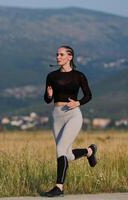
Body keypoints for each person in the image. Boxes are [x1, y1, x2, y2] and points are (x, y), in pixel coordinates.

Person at [43, 46, 97, 197]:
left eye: (61, 54)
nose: (58, 57)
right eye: (57, 55)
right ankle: (89, 151)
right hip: (57, 115)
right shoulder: (51, 76)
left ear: (70, 57)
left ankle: (59, 188)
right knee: (67, 154)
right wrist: (49, 94)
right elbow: (47, 100)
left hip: (73, 115)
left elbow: (88, 95)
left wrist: (78, 103)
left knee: (60, 150)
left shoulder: (79, 76)